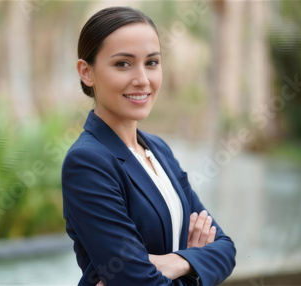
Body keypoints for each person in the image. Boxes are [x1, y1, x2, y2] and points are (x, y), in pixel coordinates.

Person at [61, 6, 236, 286]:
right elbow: (140, 282)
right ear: (87, 72)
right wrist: (194, 263)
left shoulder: (159, 150)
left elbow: (226, 248)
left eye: (152, 62)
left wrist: (174, 262)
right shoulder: (87, 162)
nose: (142, 80)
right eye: (123, 64)